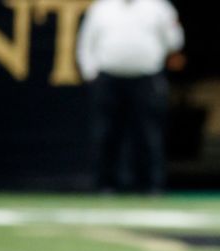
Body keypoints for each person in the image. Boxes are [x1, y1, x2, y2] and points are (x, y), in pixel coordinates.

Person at [76, 0, 184, 193]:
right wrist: (91, 74)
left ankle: (151, 185)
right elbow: (85, 43)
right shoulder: (101, 8)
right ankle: (105, 185)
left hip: (146, 78)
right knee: (106, 133)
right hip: (109, 80)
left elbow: (174, 41)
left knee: (148, 133)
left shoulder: (159, 7)